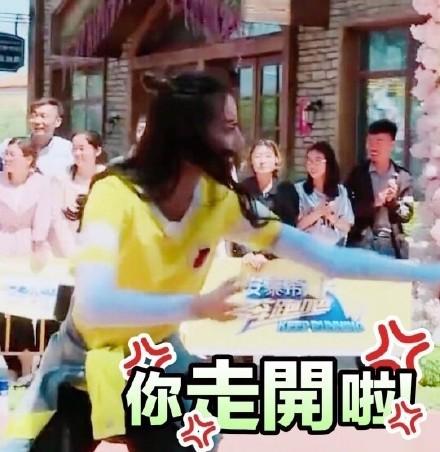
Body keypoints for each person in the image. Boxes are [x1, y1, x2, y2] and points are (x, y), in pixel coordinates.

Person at [4, 72, 440, 452]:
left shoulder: (219, 202)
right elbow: (96, 304)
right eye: (229, 126)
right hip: (78, 365)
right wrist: (195, 307)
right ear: (189, 134)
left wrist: (428, 273)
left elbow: (329, 260)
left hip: (156, 366)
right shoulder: (114, 194)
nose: (240, 141)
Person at [0, 138, 53, 380]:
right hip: (3, 245)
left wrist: (39, 245)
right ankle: (11, 364)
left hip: (27, 247)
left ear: (28, 159)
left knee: (23, 308)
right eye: (6, 154)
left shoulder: (41, 184)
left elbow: (43, 216)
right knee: (2, 310)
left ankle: (28, 364)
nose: (7, 158)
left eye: (13, 154)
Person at [346, 119, 414, 258]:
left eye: (379, 141)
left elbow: (406, 215)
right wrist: (374, 204)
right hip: (362, 241)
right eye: (370, 141)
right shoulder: (358, 174)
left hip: (391, 243)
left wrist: (393, 202)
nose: (373, 146)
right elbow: (346, 208)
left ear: (391, 145)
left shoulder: (403, 177)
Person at [232, 139, 299, 270]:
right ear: (251, 161)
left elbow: (289, 228)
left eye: (268, 156)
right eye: (257, 156)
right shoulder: (243, 190)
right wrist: (248, 253)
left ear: (276, 160)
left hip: (278, 259)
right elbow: (237, 225)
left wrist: (266, 255)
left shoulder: (286, 190)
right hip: (248, 259)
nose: (262, 161)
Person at [50, 131, 107, 257]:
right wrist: (72, 252)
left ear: (97, 151)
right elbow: (57, 220)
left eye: (82, 149)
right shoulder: (60, 179)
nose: (77, 153)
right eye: (74, 149)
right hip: (64, 250)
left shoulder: (107, 180)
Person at [295, 141, 354, 246]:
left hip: (335, 249)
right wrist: (318, 213)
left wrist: (331, 216)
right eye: (309, 161)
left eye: (317, 160)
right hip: (307, 249)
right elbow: (296, 227)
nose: (312, 165)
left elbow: (347, 227)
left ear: (328, 163)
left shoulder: (341, 192)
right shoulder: (299, 190)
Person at [0, 98, 73, 178]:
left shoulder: (67, 149)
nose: (37, 121)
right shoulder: (9, 146)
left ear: (57, 122)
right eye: (34, 116)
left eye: (43, 116)